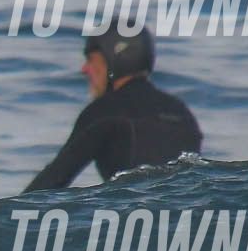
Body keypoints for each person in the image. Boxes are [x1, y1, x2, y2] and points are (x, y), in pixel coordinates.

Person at [25, 22, 202, 190]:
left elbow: (51, 182)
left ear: (113, 61)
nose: (84, 69)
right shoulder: (181, 113)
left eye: (91, 60)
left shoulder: (104, 111)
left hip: (134, 206)